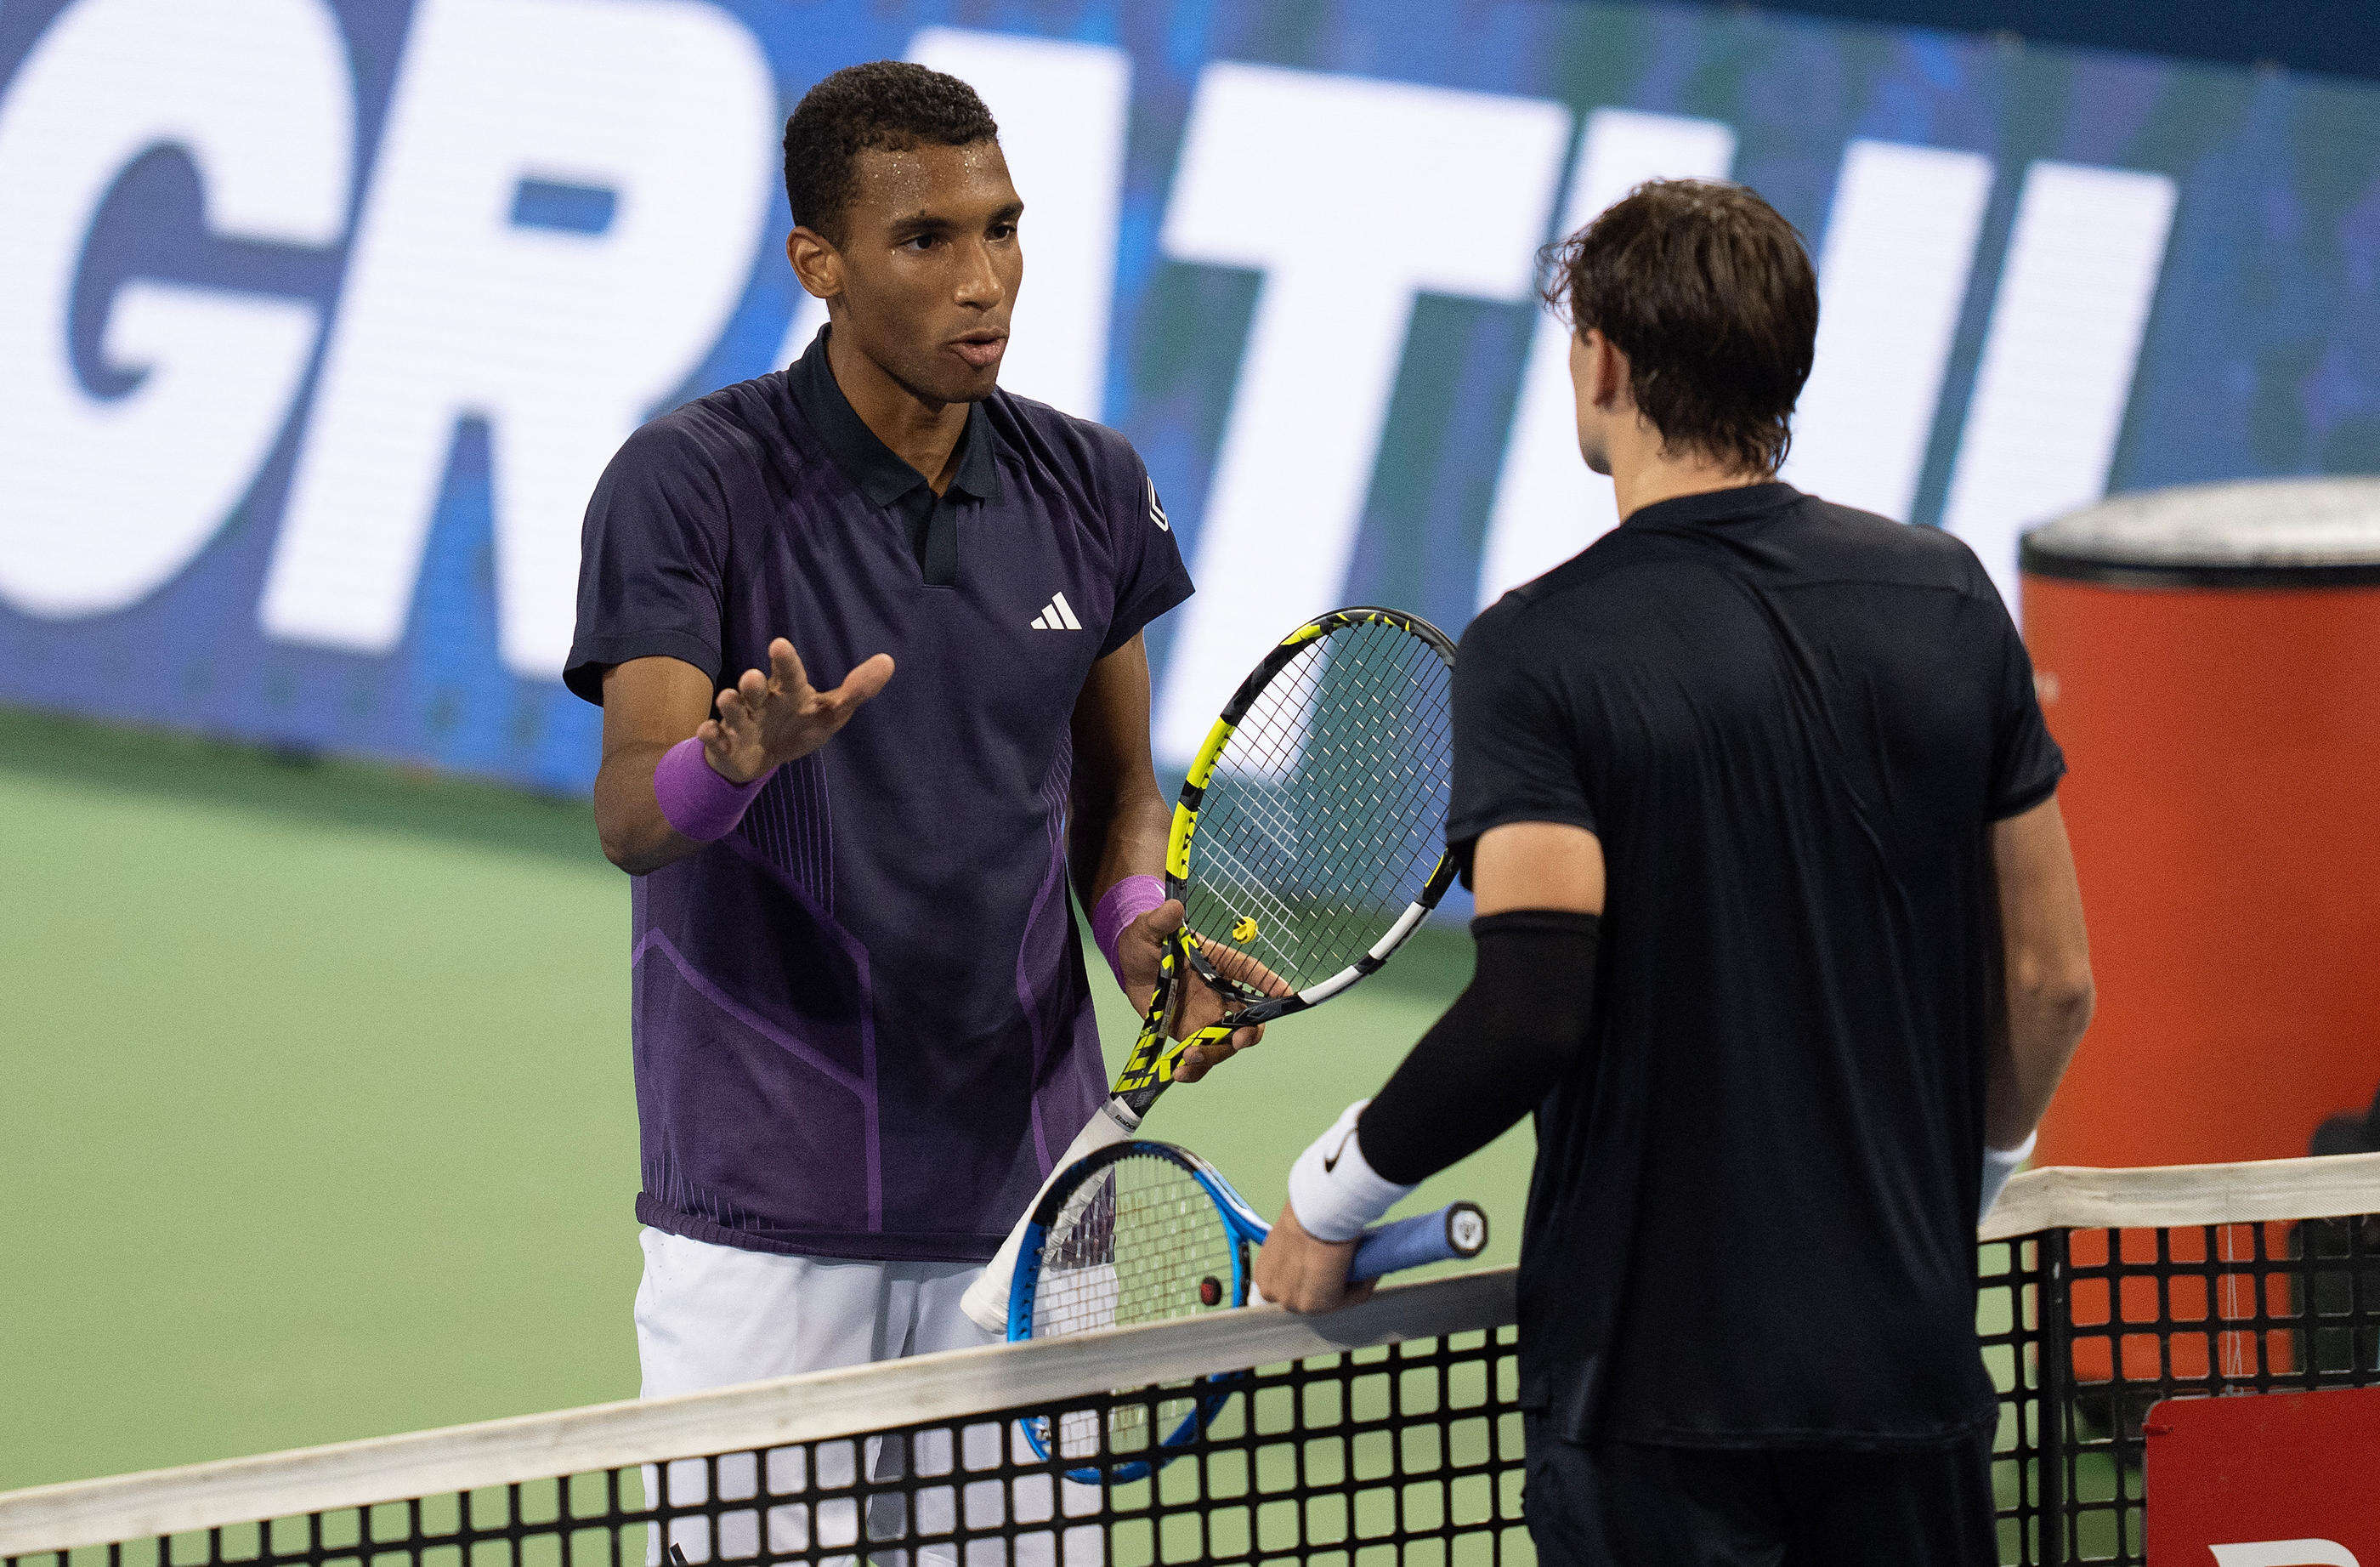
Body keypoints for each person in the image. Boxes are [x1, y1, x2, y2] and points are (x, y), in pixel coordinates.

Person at [1254, 179, 2095, 1567]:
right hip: (1909, 1376)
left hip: (1655, 1402)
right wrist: (1955, 1200)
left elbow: (1531, 1003)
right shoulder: (1949, 599)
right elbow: (2052, 981)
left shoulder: (1541, 650)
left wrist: (1330, 1197)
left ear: (1605, 362)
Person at [564, 60, 1250, 1558]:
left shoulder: (1091, 484)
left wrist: (1142, 928)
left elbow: (1118, 793)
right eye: (926, 240)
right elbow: (630, 810)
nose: (985, 279)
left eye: (1003, 229)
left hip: (1029, 1201)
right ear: (819, 264)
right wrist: (729, 767)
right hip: (764, 1207)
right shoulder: (690, 483)